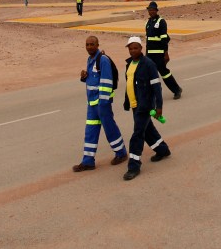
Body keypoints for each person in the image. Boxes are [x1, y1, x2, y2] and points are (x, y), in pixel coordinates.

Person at [73, 35, 128, 172]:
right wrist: (84, 77)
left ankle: (121, 153)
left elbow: (106, 82)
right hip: (92, 104)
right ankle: (88, 161)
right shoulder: (90, 59)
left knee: (110, 128)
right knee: (90, 131)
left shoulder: (102, 60)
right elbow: (94, 80)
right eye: (87, 44)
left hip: (102, 103)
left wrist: (103, 103)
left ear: (98, 45)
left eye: (92, 44)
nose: (89, 47)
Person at [122, 36, 171, 181]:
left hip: (145, 106)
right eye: (130, 48)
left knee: (137, 134)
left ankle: (133, 166)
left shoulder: (148, 64)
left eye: (135, 48)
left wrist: (159, 107)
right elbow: (129, 84)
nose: (133, 51)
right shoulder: (129, 64)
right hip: (134, 105)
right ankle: (163, 150)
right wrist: (127, 102)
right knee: (148, 130)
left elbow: (157, 86)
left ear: (141, 48)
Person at [145, 1, 182, 99]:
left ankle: (177, 90)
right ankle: (152, 95)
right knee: (150, 75)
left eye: (153, 10)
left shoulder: (161, 21)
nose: (151, 12)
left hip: (159, 54)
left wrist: (166, 53)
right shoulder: (148, 23)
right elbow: (148, 40)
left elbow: (164, 39)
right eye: (149, 10)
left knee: (165, 74)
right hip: (149, 55)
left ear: (156, 11)